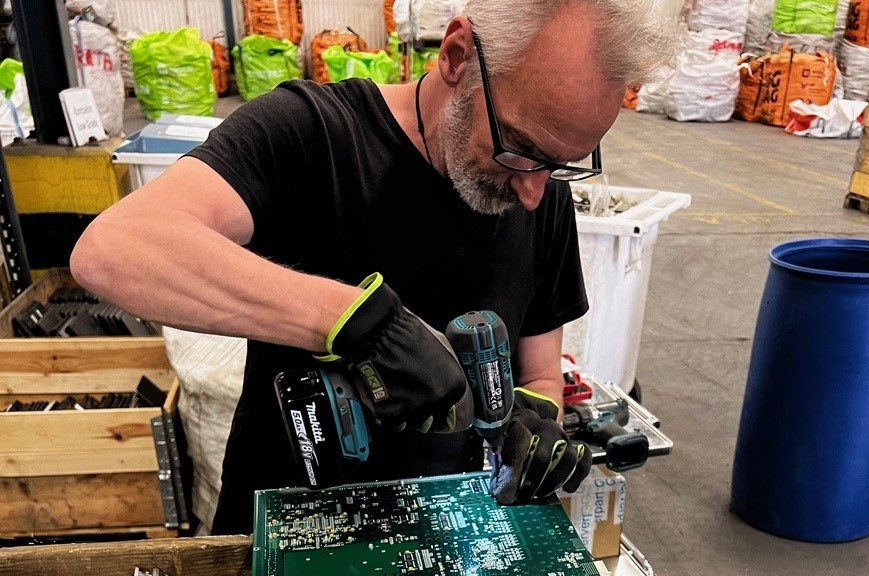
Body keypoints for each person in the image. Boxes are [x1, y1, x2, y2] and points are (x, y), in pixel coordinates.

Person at [71, 0, 666, 533]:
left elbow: (538, 372)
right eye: (521, 147)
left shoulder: (540, 190)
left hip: (450, 538)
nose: (535, 193)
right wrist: (358, 324)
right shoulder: (310, 135)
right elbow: (115, 249)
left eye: (562, 163)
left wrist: (538, 417)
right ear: (457, 56)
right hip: (291, 536)